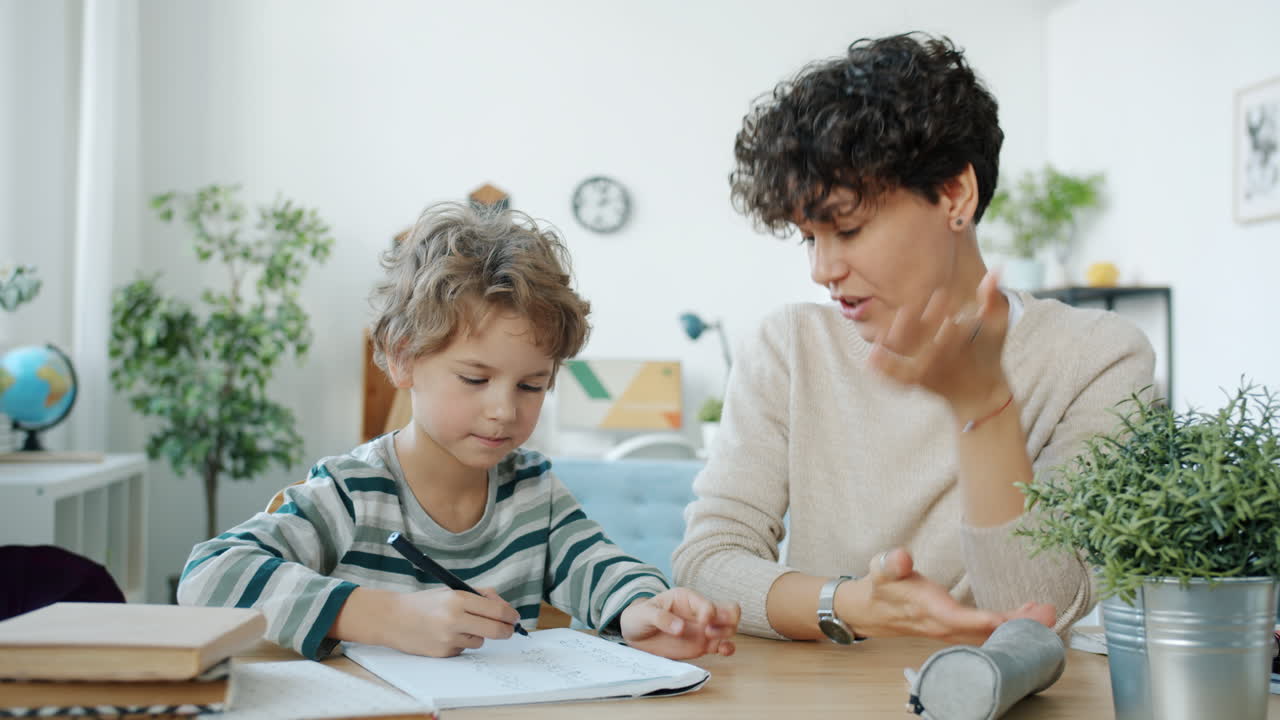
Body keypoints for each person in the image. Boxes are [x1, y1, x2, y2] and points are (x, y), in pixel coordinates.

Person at [672, 33, 1154, 646]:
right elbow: (708, 561)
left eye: (846, 228)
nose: (822, 270)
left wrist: (984, 408)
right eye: (809, 238)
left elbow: (1041, 608)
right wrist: (852, 605)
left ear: (954, 193)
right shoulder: (790, 346)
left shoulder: (1099, 356)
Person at [179, 202, 740, 661]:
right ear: (402, 360)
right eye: (475, 378)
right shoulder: (352, 493)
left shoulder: (534, 492)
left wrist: (644, 610)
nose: (503, 410)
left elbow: (599, 566)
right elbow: (209, 576)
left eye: (530, 386)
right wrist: (381, 615)